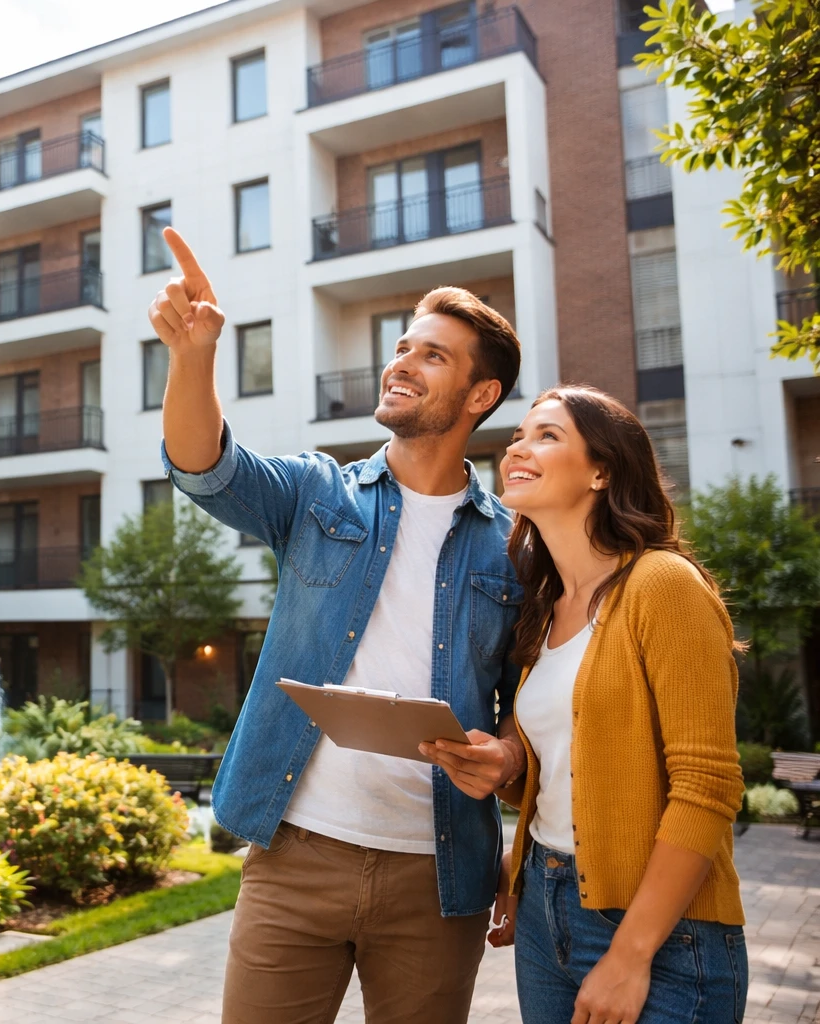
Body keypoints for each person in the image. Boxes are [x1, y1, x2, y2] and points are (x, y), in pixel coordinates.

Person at [152, 225, 526, 1024]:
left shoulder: (515, 548)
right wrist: (192, 358)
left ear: (481, 395)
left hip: (439, 874)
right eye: (402, 346)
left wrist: (509, 755)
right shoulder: (319, 494)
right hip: (295, 856)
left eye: (432, 355)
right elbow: (205, 467)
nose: (401, 362)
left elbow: (538, 698)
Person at [450, 386, 746, 1024]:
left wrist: (631, 954)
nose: (518, 448)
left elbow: (707, 787)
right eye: (519, 436)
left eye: (547, 435)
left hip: (662, 932)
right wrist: (508, 790)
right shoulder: (545, 609)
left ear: (603, 470)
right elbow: (573, 768)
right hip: (542, 912)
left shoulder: (661, 584)